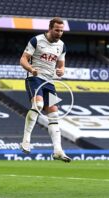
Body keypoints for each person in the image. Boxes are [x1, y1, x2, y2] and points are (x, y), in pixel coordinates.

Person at [19, 17, 71, 162]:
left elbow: (61, 65)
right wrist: (30, 68)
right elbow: (23, 59)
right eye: (57, 30)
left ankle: (58, 151)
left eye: (61, 31)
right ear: (50, 28)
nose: (59, 33)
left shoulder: (61, 45)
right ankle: (26, 140)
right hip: (34, 78)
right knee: (39, 104)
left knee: (54, 115)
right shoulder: (36, 40)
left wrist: (61, 70)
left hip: (50, 82)